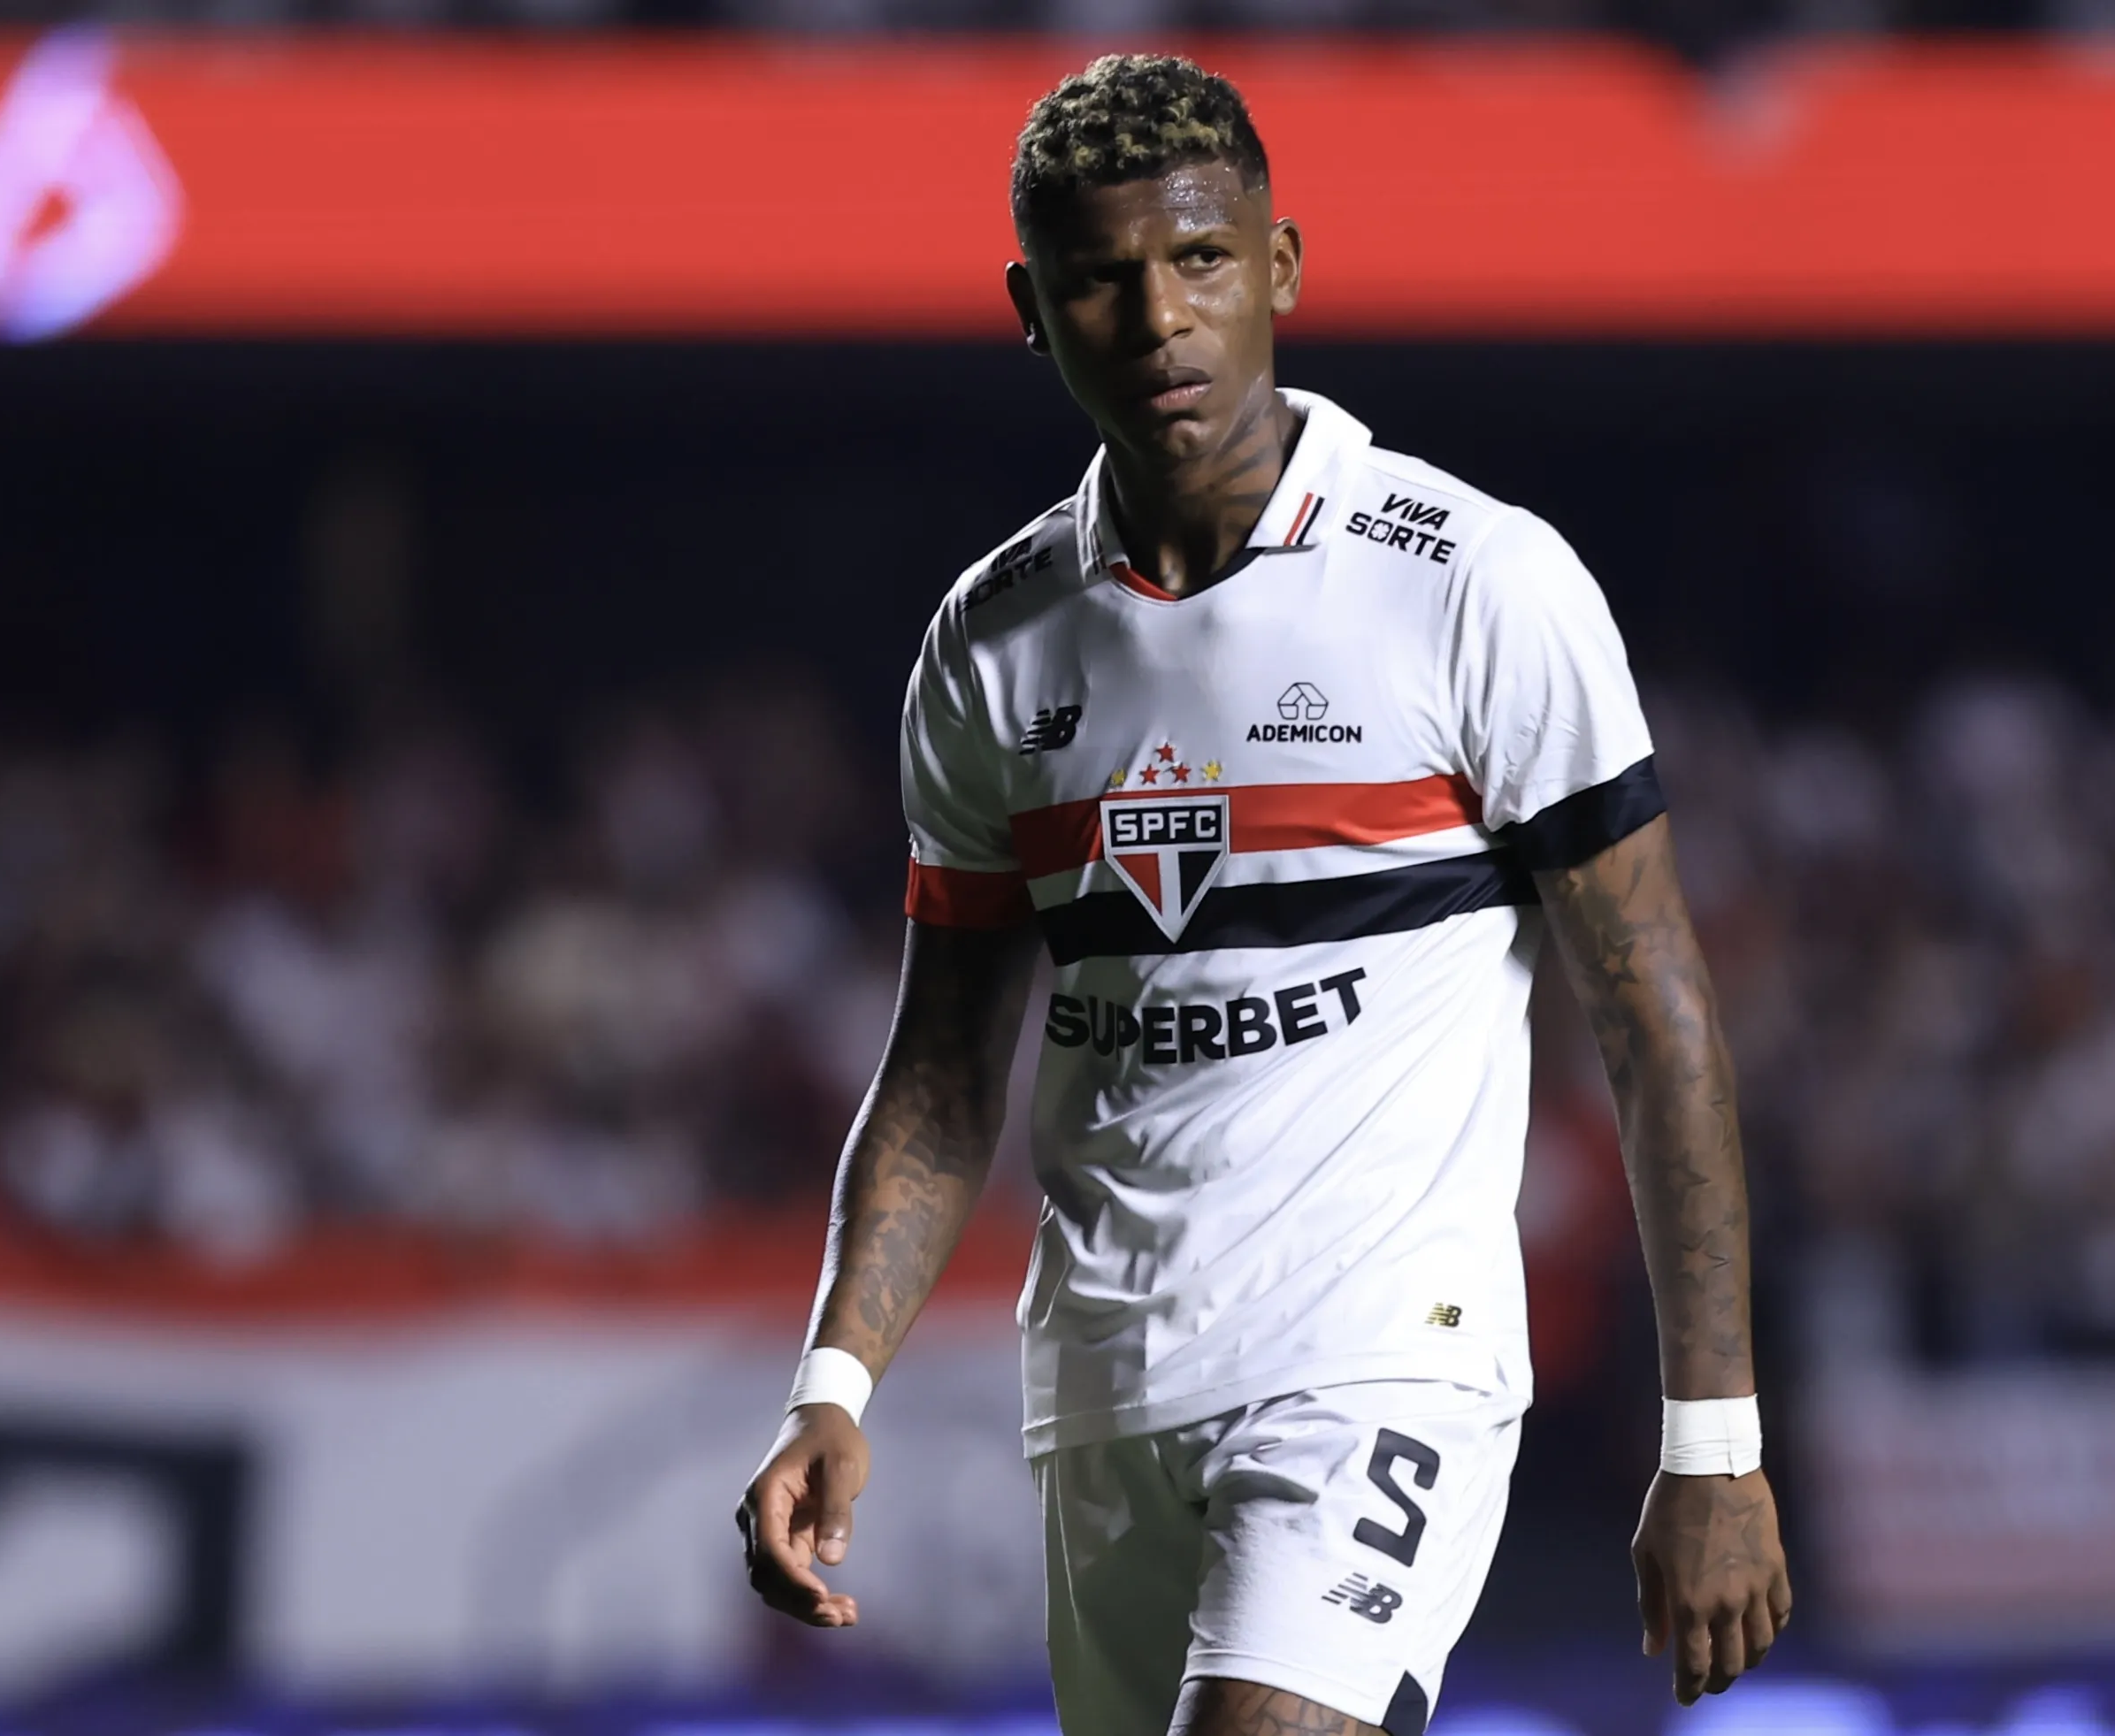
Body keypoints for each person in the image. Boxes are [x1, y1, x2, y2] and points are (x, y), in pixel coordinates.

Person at [737, 52, 1789, 1735]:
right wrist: (834, 1378)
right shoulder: (991, 641)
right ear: (1033, 305)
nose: (1159, 316)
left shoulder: (1477, 585)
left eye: (1202, 261)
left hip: (1383, 1357)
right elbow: (941, 1065)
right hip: (1104, 1384)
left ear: (1281, 267)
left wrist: (1714, 1438)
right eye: (1102, 276)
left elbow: (1656, 1012)